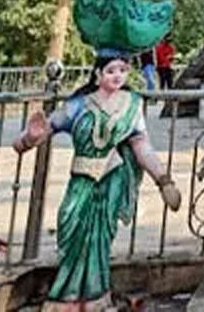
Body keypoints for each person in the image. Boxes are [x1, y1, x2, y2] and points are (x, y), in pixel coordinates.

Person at [13, 53, 182, 309]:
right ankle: (66, 294)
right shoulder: (79, 104)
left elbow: (141, 146)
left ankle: (94, 295)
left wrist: (163, 180)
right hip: (81, 179)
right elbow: (45, 129)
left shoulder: (131, 105)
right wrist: (28, 138)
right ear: (98, 74)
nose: (117, 76)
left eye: (123, 70)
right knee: (69, 225)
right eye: (111, 70)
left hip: (111, 179)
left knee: (100, 239)